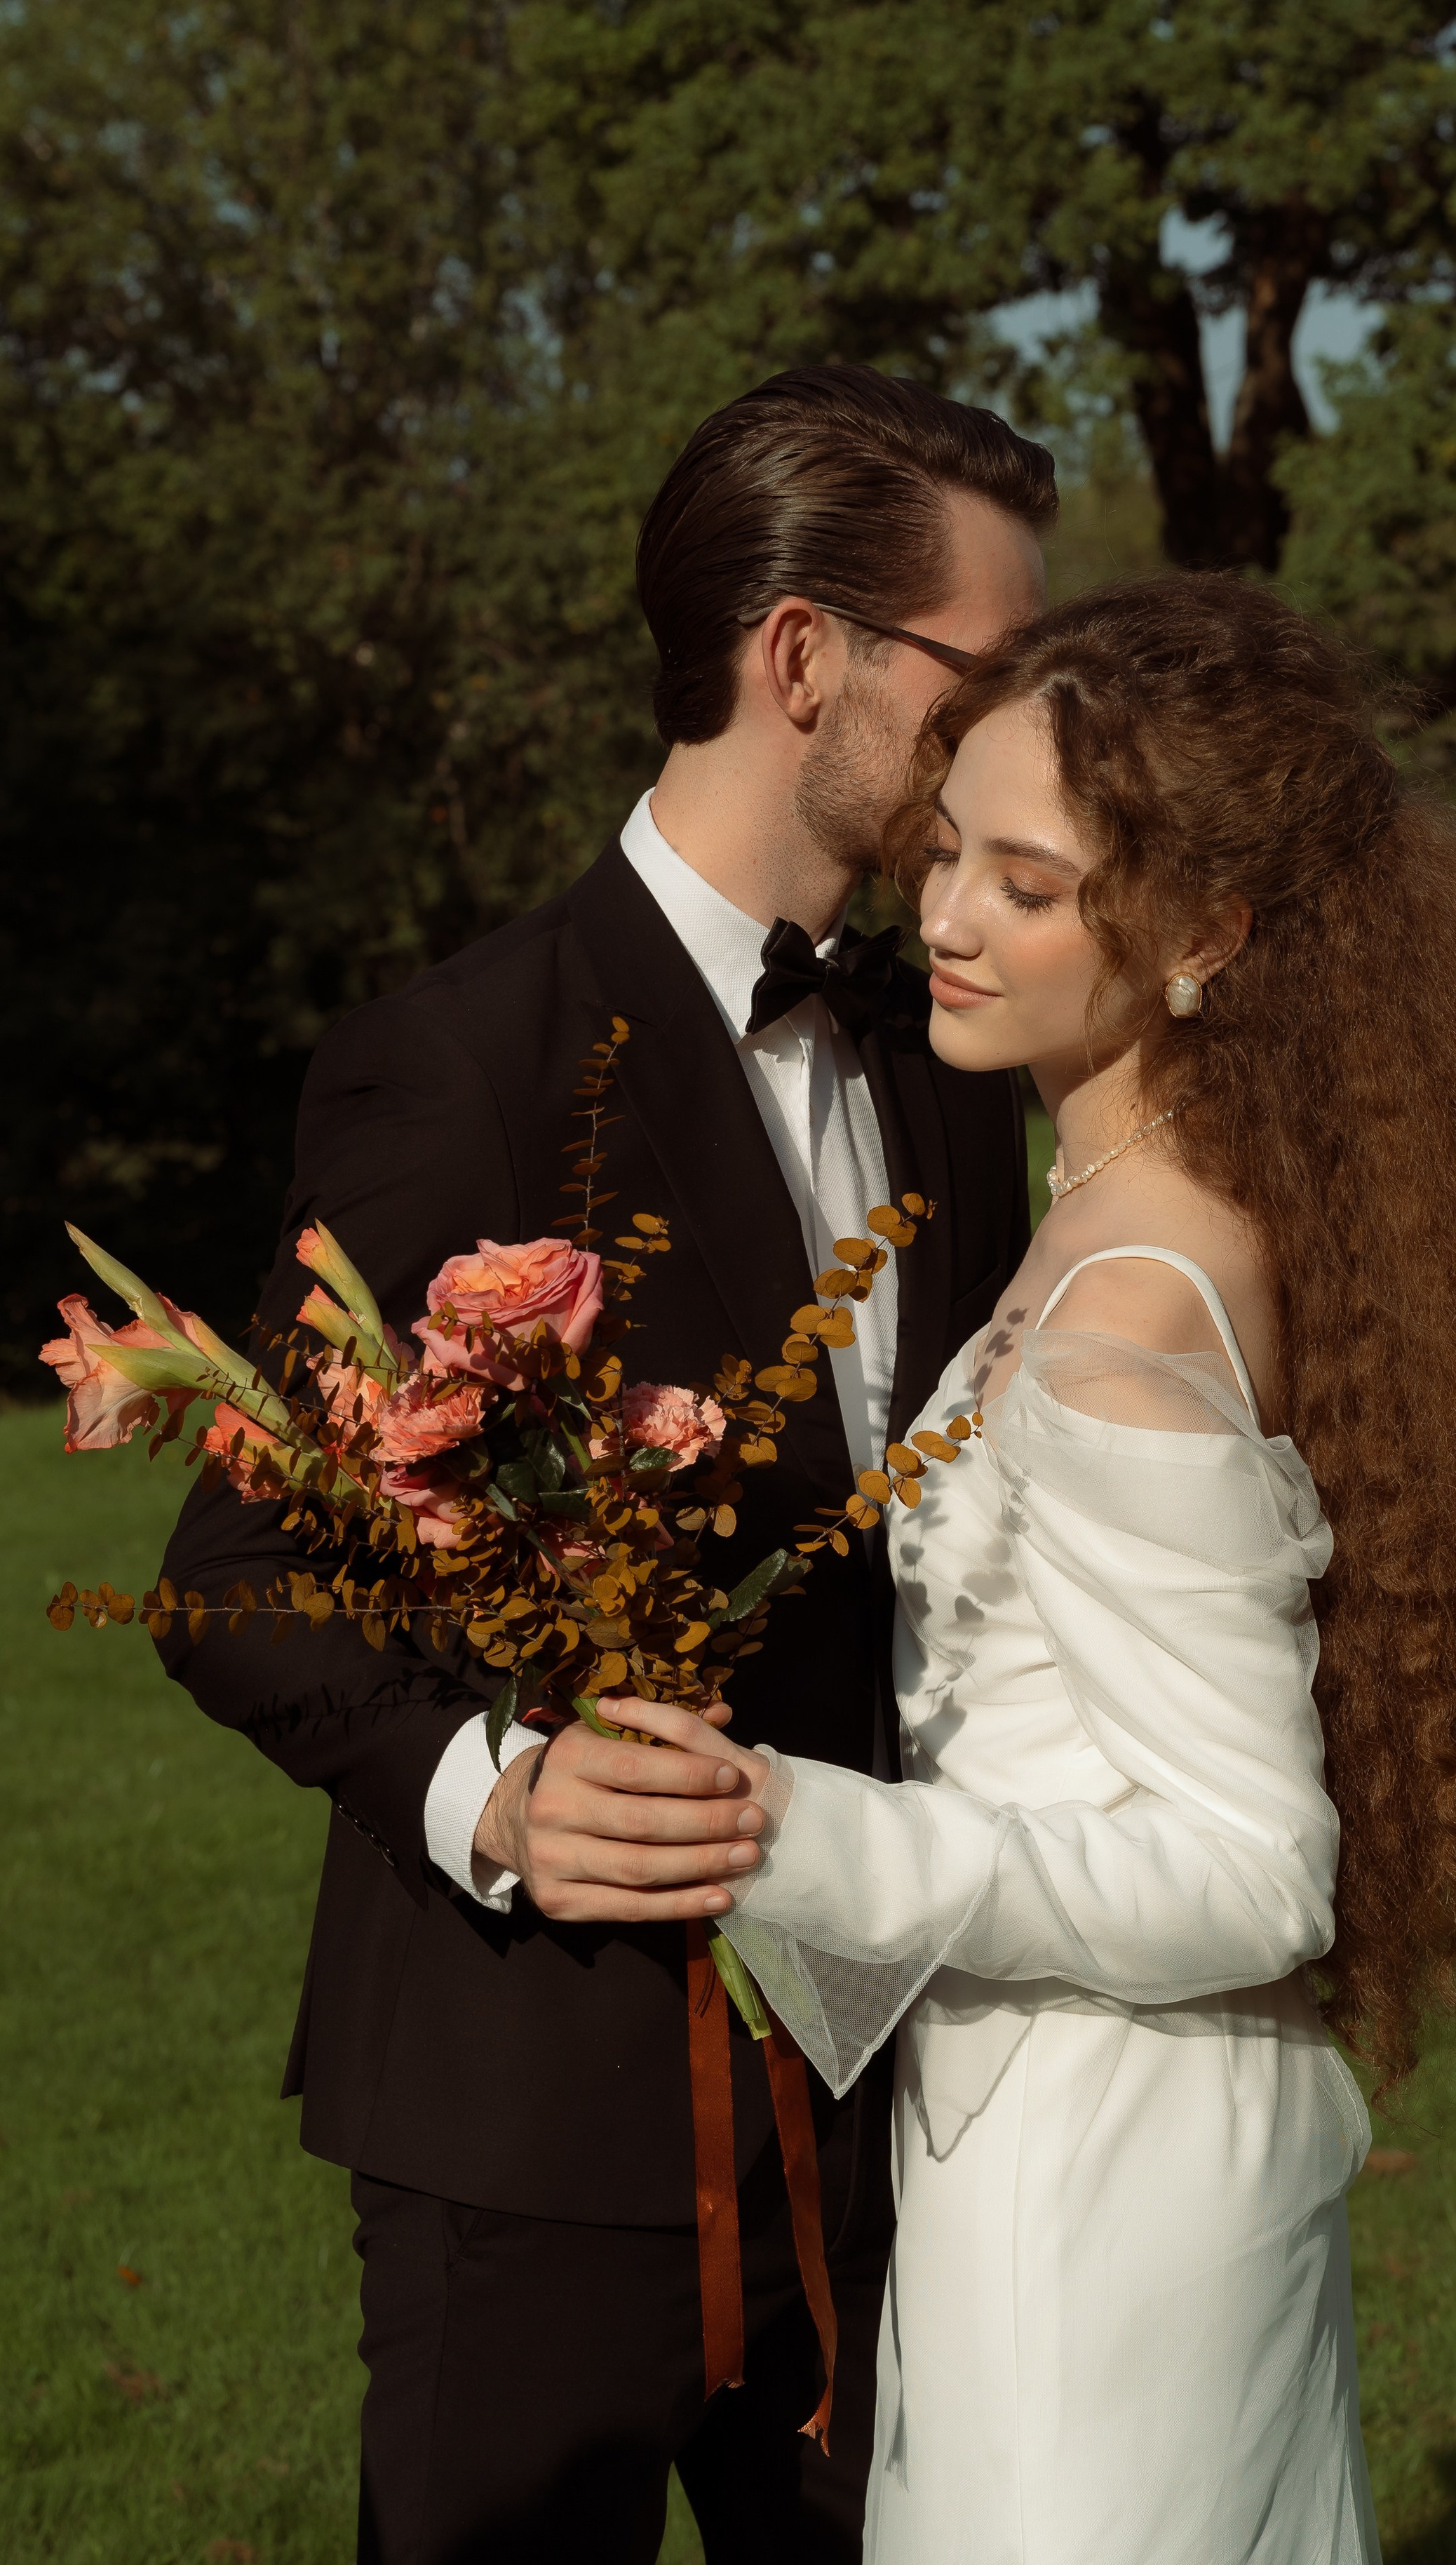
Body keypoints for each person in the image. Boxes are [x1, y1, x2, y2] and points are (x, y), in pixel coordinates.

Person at [598, 573, 1456, 2564]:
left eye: (1029, 883)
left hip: (1101, 2193)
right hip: (1070, 2136)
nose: (942, 918)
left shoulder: (1125, 1325)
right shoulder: (1108, 1195)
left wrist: (794, 1835)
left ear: (1207, 933)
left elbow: (1257, 1868)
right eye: (951, 857)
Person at [153, 364, 1054, 2563]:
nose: (1025, 736)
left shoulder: (951, 1061)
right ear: (804, 656)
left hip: (875, 2117)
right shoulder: (459, 1065)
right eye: (988, 676)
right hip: (526, 2140)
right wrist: (497, 1797)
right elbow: (234, 1567)